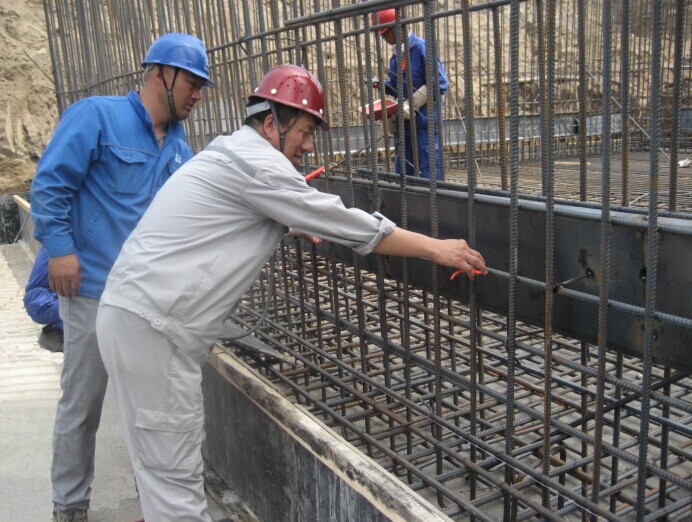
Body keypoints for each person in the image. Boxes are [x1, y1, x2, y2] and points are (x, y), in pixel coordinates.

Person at [94, 63, 486, 520]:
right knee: (175, 487)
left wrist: (287, 218)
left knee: (158, 472)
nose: (308, 145)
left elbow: (242, 210)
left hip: (134, 318)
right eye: (303, 131)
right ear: (269, 124)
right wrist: (436, 248)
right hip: (155, 332)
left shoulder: (232, 152)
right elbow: (347, 223)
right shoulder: (260, 165)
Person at [29, 32, 214, 522]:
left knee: (148, 411)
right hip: (90, 288)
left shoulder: (179, 148)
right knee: (83, 405)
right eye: (193, 83)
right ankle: (70, 506)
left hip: (145, 300)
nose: (198, 95)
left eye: (201, 86)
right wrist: (60, 250)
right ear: (161, 74)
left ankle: (154, 503)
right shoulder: (97, 116)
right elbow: (49, 183)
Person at [373, 8, 449, 180]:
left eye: (385, 34)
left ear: (396, 28)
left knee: (428, 174)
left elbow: (440, 82)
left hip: (424, 127)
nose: (383, 39)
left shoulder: (421, 48)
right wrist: (382, 86)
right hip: (405, 127)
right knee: (404, 176)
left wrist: (412, 103)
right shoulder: (395, 58)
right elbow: (398, 88)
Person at [24, 246, 64, 352]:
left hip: (44, 298)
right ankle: (59, 331)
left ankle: (60, 331)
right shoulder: (61, 243)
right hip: (41, 300)